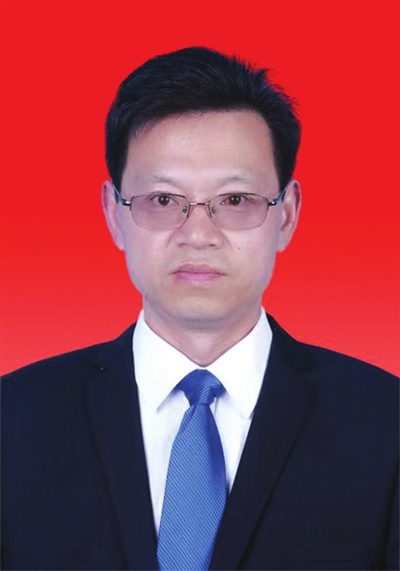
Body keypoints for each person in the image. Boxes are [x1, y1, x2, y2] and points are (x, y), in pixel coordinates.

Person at [1, 47, 398, 571]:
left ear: (286, 214)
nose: (198, 235)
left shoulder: (385, 423)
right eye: (163, 200)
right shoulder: (15, 419)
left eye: (235, 200)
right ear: (114, 214)